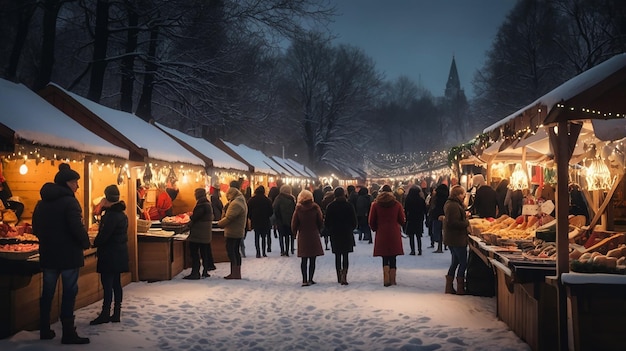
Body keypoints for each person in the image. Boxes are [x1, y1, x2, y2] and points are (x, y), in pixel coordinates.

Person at [32, 163, 91, 344]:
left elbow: (36, 228)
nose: (77, 186)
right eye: (75, 182)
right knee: (69, 292)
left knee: (48, 291)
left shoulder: (41, 203)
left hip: (49, 254)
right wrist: (85, 241)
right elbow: (76, 227)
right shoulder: (70, 202)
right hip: (68, 255)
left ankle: (44, 328)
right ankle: (68, 333)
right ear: (67, 183)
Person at [90, 185, 129, 325]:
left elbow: (104, 236)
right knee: (116, 284)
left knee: (107, 285)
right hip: (119, 253)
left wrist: (94, 242)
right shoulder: (122, 214)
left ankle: (105, 313)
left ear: (107, 198)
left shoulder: (111, 216)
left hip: (109, 254)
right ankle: (116, 312)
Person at [368, 184, 405, 287]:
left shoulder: (375, 205)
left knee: (384, 257)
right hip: (394, 233)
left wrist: (375, 228)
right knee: (393, 256)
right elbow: (402, 220)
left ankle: (386, 279)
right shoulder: (397, 204)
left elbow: (371, 221)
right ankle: (393, 279)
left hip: (381, 233)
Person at [324, 187, 357, 285]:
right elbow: (354, 221)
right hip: (346, 232)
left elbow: (327, 222)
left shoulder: (330, 206)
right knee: (345, 255)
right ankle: (344, 276)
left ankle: (338, 276)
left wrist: (330, 229)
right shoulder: (349, 206)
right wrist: (350, 228)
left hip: (335, 233)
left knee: (337, 255)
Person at [291, 189, 324, 286]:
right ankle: (310, 278)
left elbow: (294, 223)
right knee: (312, 259)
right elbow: (320, 220)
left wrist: (294, 233)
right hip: (313, 234)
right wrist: (319, 229)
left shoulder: (298, 209)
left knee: (304, 259)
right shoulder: (315, 208)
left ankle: (304, 280)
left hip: (303, 235)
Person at [443, 185, 471, 295]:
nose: (464, 196)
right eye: (463, 194)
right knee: (463, 262)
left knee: (455, 261)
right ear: (458, 194)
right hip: (456, 238)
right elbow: (453, 222)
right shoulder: (453, 206)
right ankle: (460, 288)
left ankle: (449, 287)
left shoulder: (452, 204)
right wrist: (466, 222)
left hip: (453, 238)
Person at [217, 185, 248, 279]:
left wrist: (219, 224)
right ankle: (235, 272)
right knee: (235, 251)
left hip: (233, 231)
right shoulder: (240, 201)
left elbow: (229, 217)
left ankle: (235, 273)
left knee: (232, 251)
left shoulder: (236, 203)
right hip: (237, 231)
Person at [183, 188, 214, 280]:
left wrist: (189, 220)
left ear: (198, 194)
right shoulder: (207, 203)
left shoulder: (201, 204)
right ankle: (205, 271)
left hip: (198, 233)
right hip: (205, 233)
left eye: (195, 193)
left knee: (194, 252)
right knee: (204, 252)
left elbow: (196, 217)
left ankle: (195, 272)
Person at [247, 185, 273, 258]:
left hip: (255, 220)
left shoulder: (252, 200)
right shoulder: (267, 200)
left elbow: (248, 210)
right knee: (264, 237)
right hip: (265, 221)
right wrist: (267, 215)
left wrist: (251, 217)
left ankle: (258, 252)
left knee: (257, 237)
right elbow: (271, 211)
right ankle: (264, 252)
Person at [273, 185, 296, 257]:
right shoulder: (292, 198)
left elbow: (275, 209)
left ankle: (282, 250)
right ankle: (290, 249)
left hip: (280, 220)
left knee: (281, 236)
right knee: (290, 235)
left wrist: (277, 219)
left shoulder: (278, 198)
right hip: (290, 220)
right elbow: (295, 209)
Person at [404, 186, 426, 255]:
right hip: (419, 219)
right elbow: (424, 209)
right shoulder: (421, 200)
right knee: (418, 236)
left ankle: (412, 250)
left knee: (411, 236)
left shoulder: (408, 199)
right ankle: (420, 250)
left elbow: (406, 209)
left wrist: (406, 218)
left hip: (411, 219)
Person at [428, 184, 449, 253]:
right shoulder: (447, 197)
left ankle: (439, 247)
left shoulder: (436, 197)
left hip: (436, 215)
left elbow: (432, 205)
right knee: (445, 231)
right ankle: (445, 245)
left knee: (437, 231)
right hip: (445, 215)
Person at [320, 186, 335, 250]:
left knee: (326, 232)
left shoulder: (325, 199)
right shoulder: (334, 197)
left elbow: (322, 207)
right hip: (334, 216)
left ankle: (326, 245)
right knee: (333, 232)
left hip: (326, 215)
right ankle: (332, 244)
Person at [267, 186, 280, 253]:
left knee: (271, 224)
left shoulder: (269, 198)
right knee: (276, 221)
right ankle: (275, 229)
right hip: (276, 210)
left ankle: (269, 246)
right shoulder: (278, 197)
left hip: (270, 211)